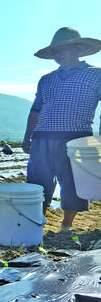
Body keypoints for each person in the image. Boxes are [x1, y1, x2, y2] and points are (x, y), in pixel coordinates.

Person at [21, 27, 101, 231]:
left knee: (73, 183)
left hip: (76, 138)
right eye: (55, 50)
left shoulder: (95, 75)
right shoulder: (46, 79)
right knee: (37, 182)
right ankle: (37, 222)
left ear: (78, 48)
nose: (58, 54)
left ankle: (66, 225)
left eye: (62, 49)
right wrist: (27, 136)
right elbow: (36, 110)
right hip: (43, 137)